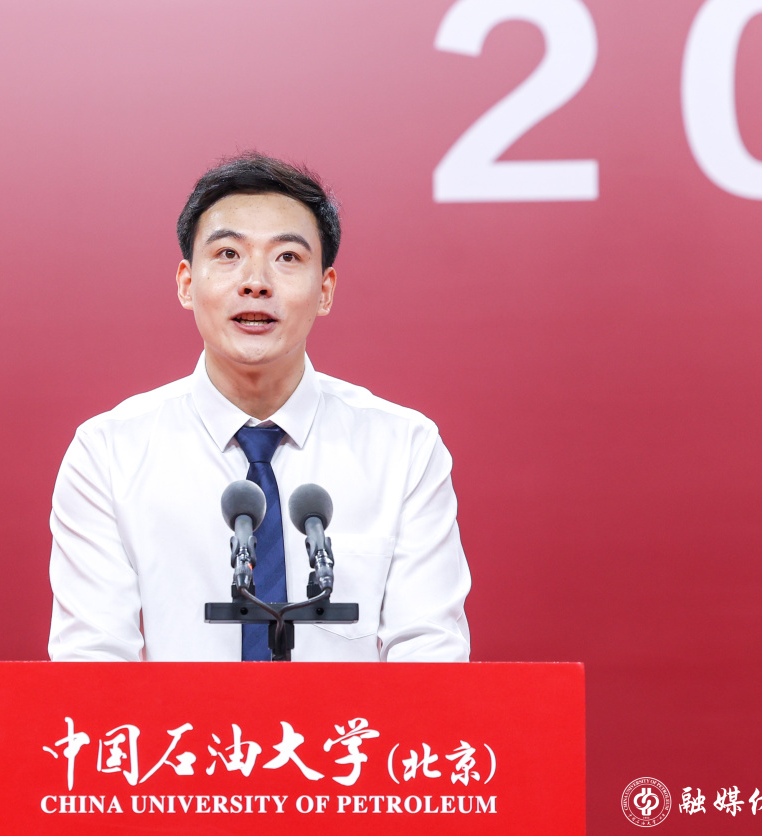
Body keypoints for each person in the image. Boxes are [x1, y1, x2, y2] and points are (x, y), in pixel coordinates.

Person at [47, 152, 470, 662]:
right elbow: (93, 663)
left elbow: (430, 656)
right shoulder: (109, 453)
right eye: (228, 254)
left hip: (347, 720)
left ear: (325, 291)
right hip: (177, 720)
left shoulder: (403, 448)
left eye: (287, 257)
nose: (256, 281)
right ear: (186, 284)